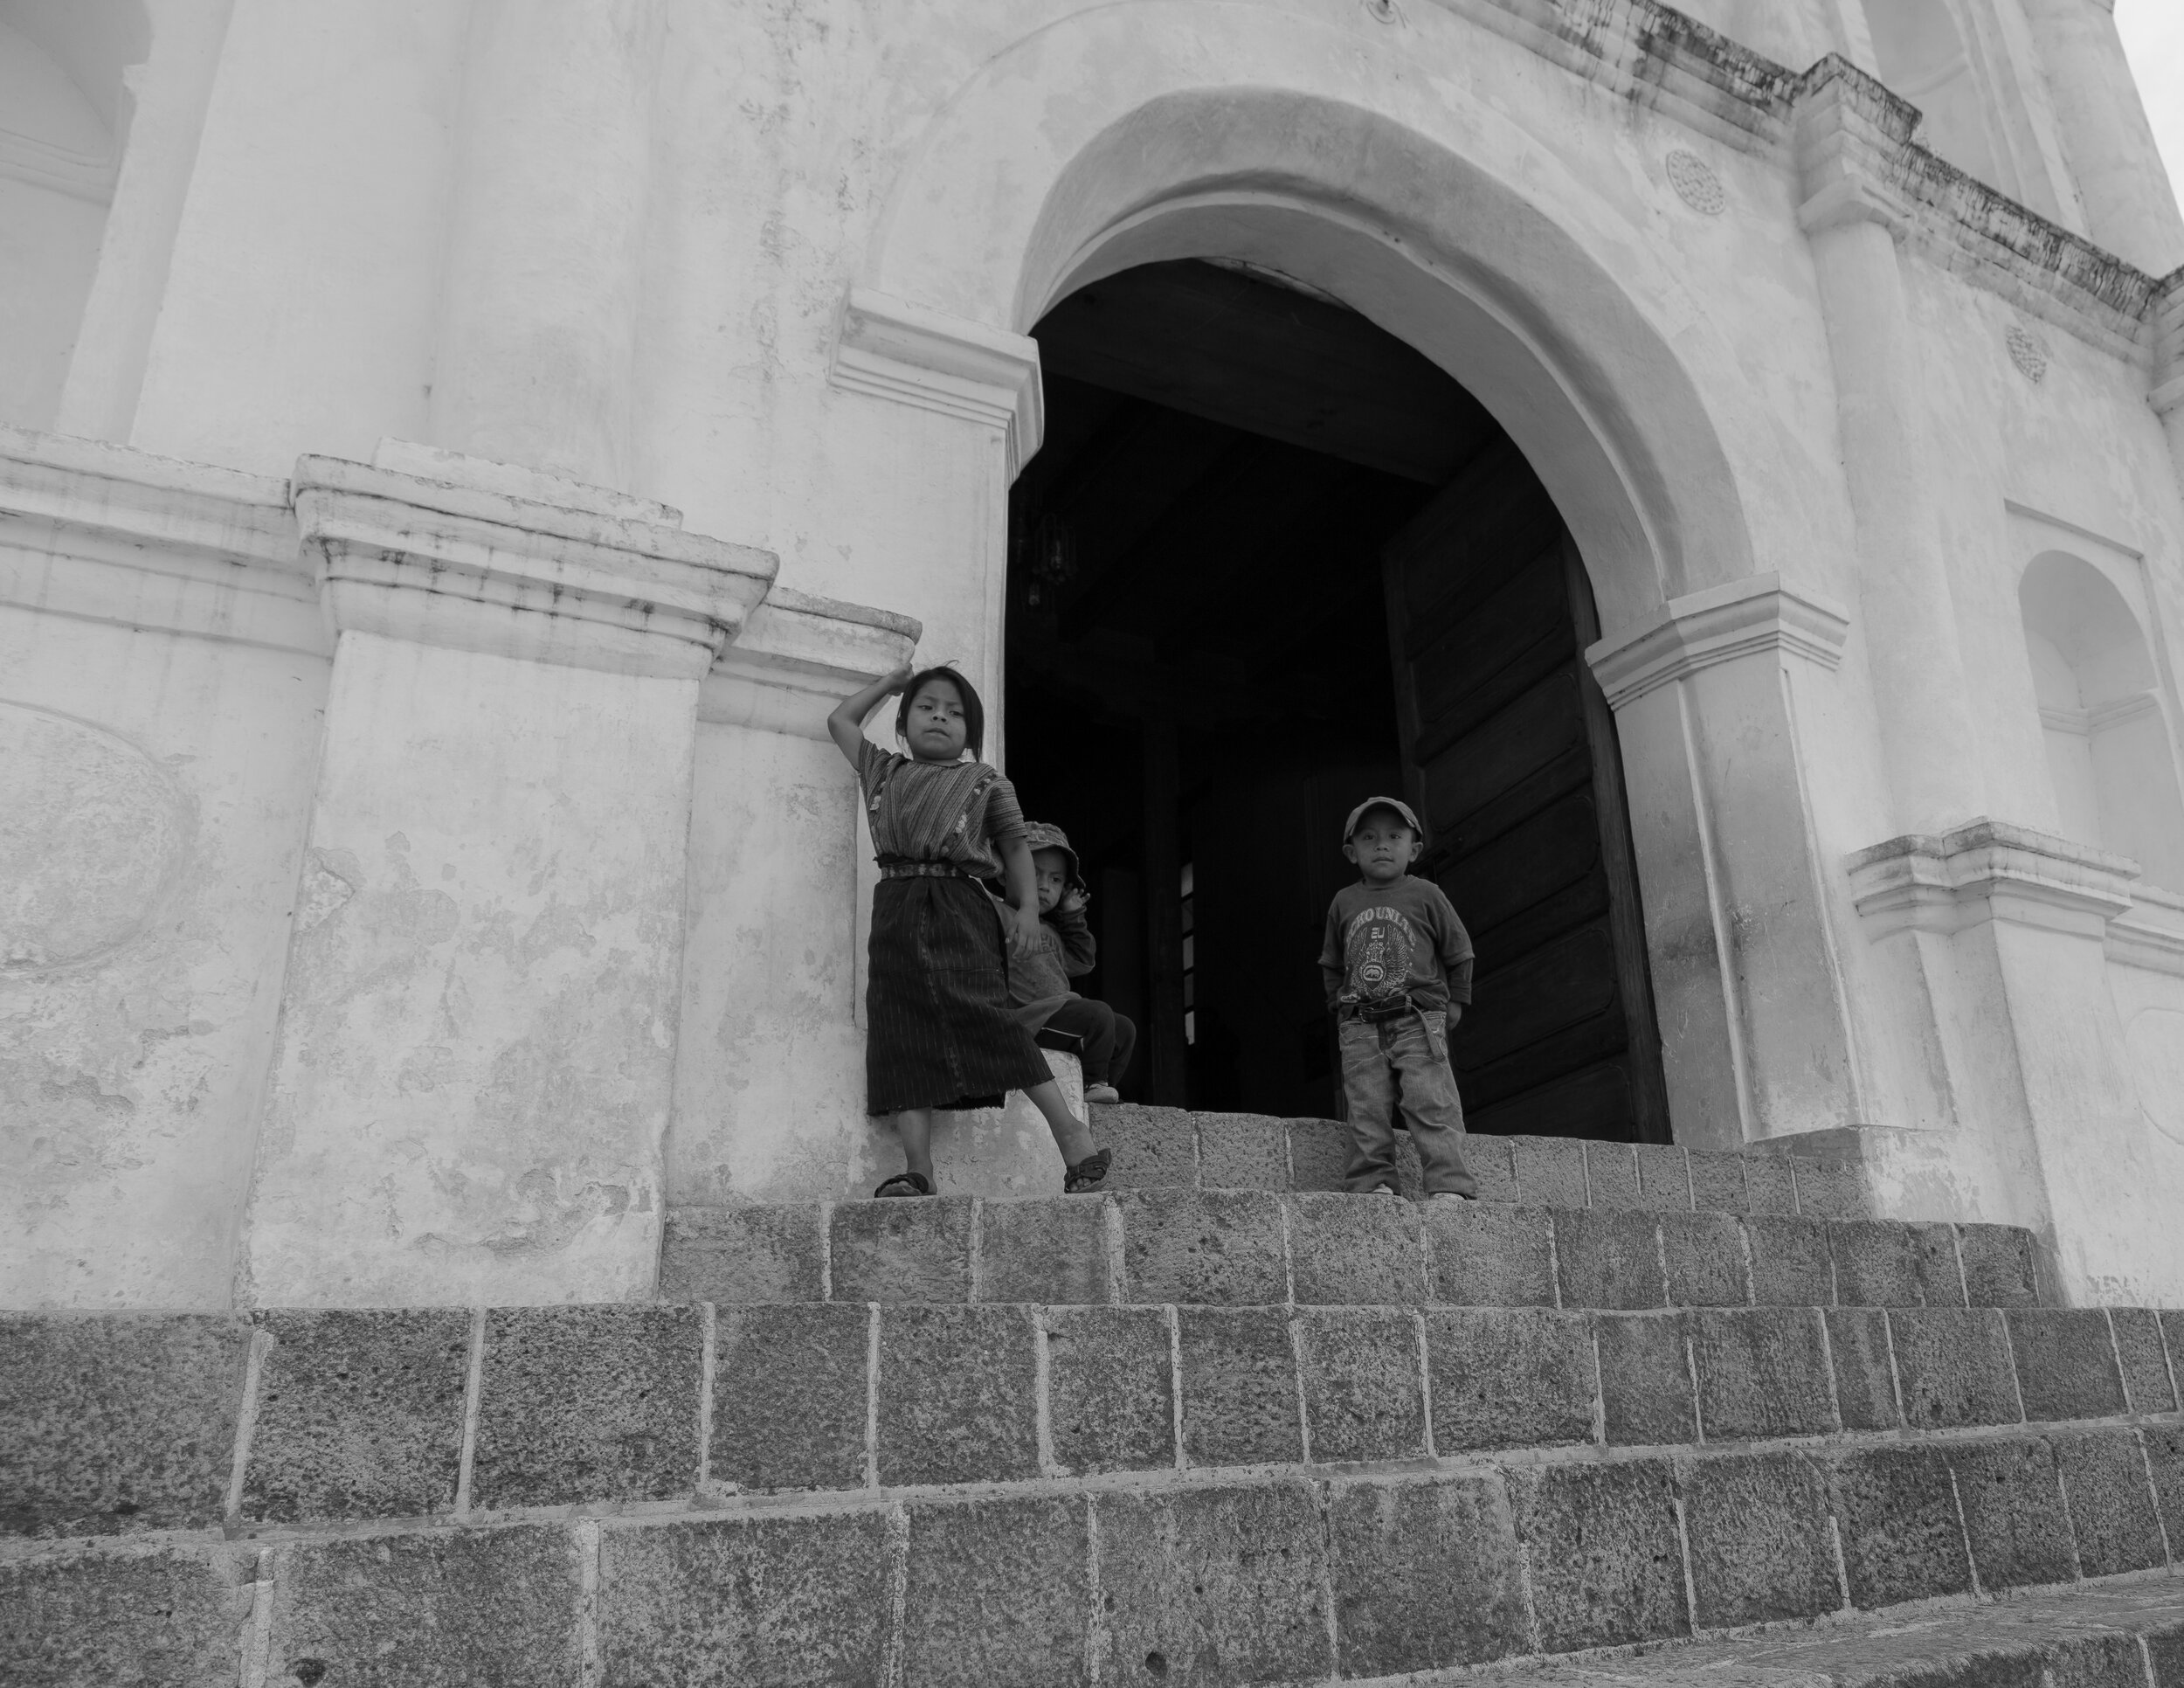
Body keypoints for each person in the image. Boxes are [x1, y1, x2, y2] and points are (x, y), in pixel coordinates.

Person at [826, 661, 1112, 1198]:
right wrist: (889, 685)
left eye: (955, 713)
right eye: (926, 707)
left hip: (960, 902)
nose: (940, 717)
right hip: (895, 906)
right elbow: (841, 721)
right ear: (904, 723)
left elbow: (1013, 846)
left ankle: (1074, 1138)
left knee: (990, 1018)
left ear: (971, 732)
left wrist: (1027, 909)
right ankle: (918, 1171)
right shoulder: (883, 770)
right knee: (898, 1034)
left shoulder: (985, 783)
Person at [1318, 795, 1479, 1201]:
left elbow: (1459, 952)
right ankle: (1372, 1184)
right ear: (1352, 853)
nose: (1382, 845)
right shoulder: (1343, 901)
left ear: (1415, 849)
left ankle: (1449, 1186)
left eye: (1394, 836)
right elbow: (1331, 962)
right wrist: (1338, 1008)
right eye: (1369, 838)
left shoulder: (1427, 894)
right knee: (1366, 1108)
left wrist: (1455, 1002)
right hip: (1359, 1024)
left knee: (1431, 1101)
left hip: (1417, 1017)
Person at [1005, 821, 1137, 1105]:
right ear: (1005, 872)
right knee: (1097, 1014)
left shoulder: (1052, 932)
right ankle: (1091, 1083)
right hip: (1025, 1020)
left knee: (1124, 1028)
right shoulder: (996, 913)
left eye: (1056, 880)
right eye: (1033, 873)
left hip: (1060, 1016)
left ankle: (1102, 1088)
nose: (1042, 885)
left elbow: (1082, 961)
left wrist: (1071, 916)